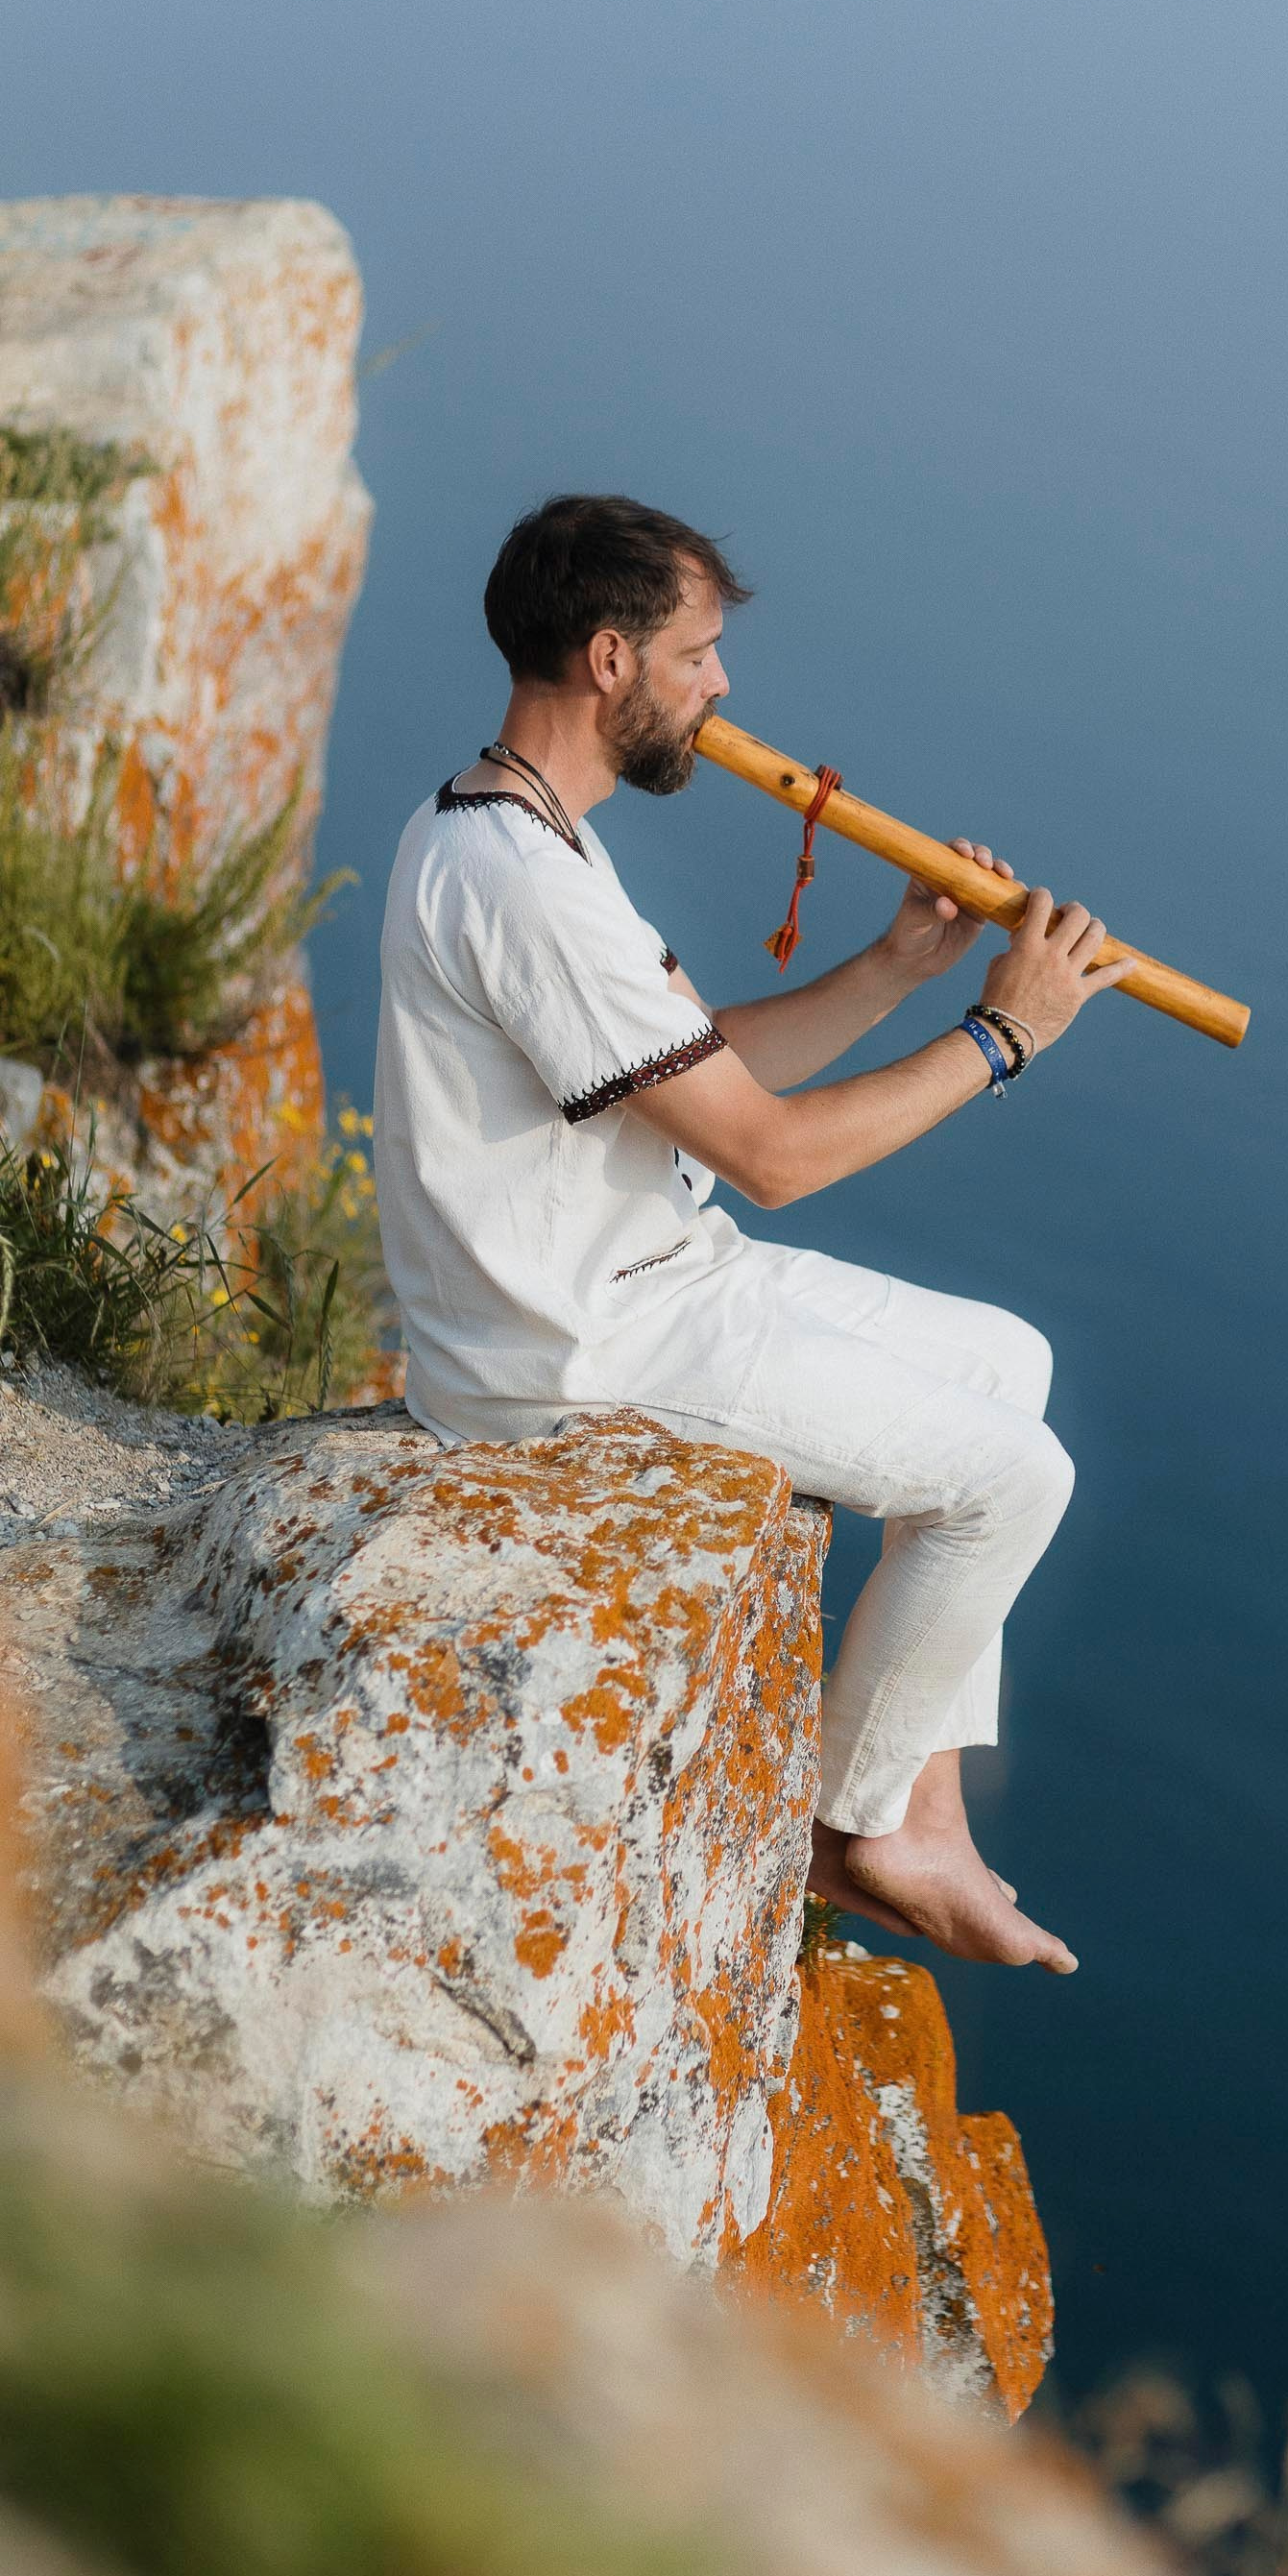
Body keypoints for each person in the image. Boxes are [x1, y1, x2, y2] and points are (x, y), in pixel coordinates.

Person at [375, 496, 1129, 1975]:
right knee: (1013, 1481)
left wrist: (897, 965)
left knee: (1008, 1362)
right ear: (610, 659)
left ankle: (923, 1811)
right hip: (571, 1348)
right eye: (699, 655)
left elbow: (690, 1070)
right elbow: (771, 1158)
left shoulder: (520, 825)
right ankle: (852, 1830)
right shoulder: (521, 884)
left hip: (648, 1273)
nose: (719, 689)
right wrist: (1000, 1037)